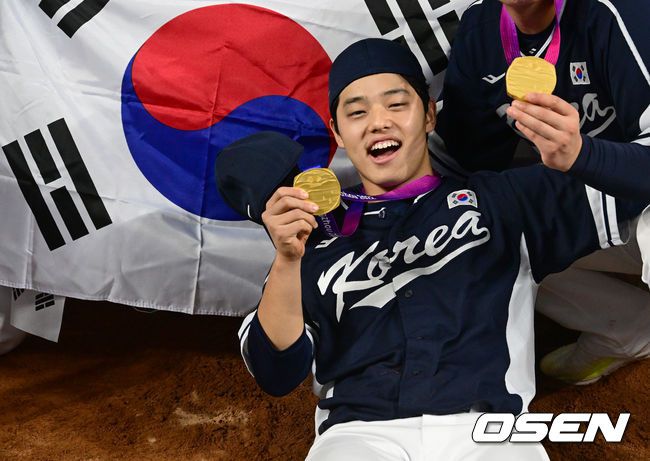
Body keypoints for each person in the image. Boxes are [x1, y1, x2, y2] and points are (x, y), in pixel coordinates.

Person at [226, 38, 648, 460]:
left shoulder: (506, 199)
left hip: (489, 433)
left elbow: (636, 185)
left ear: (429, 115)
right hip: (359, 437)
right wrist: (287, 261)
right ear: (338, 132)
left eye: (396, 104)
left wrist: (580, 153)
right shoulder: (313, 238)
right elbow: (275, 372)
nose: (378, 122)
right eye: (357, 112)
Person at [433, 0, 650, 384]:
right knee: (477, 232)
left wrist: (583, 154)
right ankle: (626, 327)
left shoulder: (621, 13)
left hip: (642, 199)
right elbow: (468, 157)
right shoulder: (480, 31)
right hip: (589, 203)